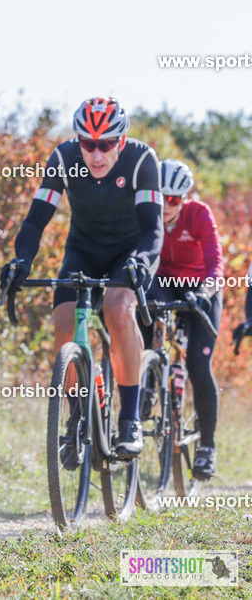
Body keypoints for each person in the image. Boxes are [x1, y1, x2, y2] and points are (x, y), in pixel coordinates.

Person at [0, 97, 163, 461]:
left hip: (130, 251)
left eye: (106, 144)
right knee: (64, 321)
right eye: (88, 144)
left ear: (121, 141)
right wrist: (22, 260)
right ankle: (77, 416)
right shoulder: (64, 158)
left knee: (118, 310)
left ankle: (130, 419)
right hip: (84, 250)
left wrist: (141, 261)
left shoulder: (141, 160)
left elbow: (153, 229)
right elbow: (35, 220)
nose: (96, 154)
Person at [141, 160, 222, 479]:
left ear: (184, 198)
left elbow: (216, 262)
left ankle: (207, 447)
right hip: (163, 282)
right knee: (142, 305)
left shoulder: (199, 214)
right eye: (160, 198)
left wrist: (205, 291)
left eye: (173, 199)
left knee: (198, 365)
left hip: (200, 287)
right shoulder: (146, 214)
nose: (165, 206)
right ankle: (149, 379)